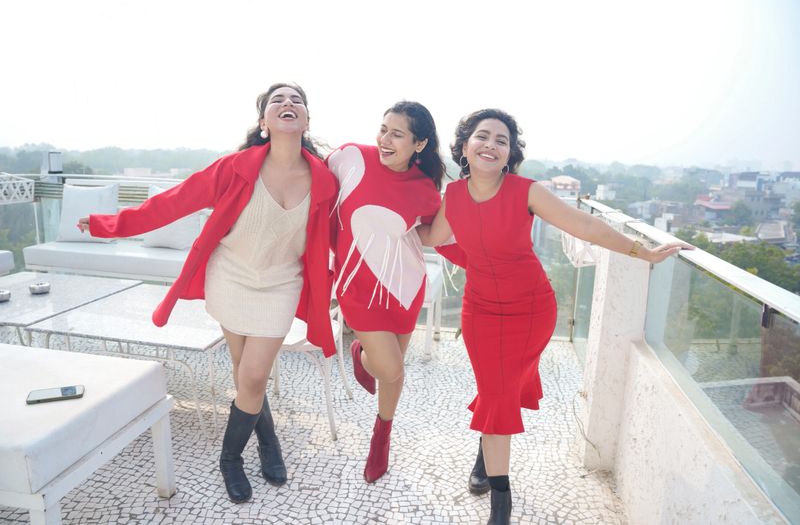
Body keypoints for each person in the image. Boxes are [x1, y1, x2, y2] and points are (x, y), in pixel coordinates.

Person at [417, 108, 692, 524]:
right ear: (465, 147)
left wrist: (644, 252)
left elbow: (585, 226)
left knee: (498, 391)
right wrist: (384, 222)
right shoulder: (452, 198)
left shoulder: (527, 191)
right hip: (480, 311)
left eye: (501, 140)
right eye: (483, 137)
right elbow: (433, 237)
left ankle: (500, 504)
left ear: (510, 153)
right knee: (495, 390)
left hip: (531, 309)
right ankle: (485, 457)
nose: (491, 145)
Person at [77, 83, 338, 504]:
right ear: (263, 122)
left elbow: (346, 230)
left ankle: (229, 459)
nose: (288, 104)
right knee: (243, 371)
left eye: (297, 101)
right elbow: (173, 202)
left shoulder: (325, 178)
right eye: (278, 100)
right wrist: (112, 224)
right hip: (231, 276)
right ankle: (267, 440)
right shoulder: (235, 167)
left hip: (281, 283)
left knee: (252, 375)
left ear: (306, 120)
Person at [326, 101, 447, 483]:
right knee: (391, 367)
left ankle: (382, 437)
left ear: (419, 144)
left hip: (404, 286)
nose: (385, 139)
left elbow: (429, 234)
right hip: (356, 286)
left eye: (397, 134)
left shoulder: (425, 189)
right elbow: (307, 176)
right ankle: (362, 355)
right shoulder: (349, 159)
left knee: (392, 376)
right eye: (383, 129)